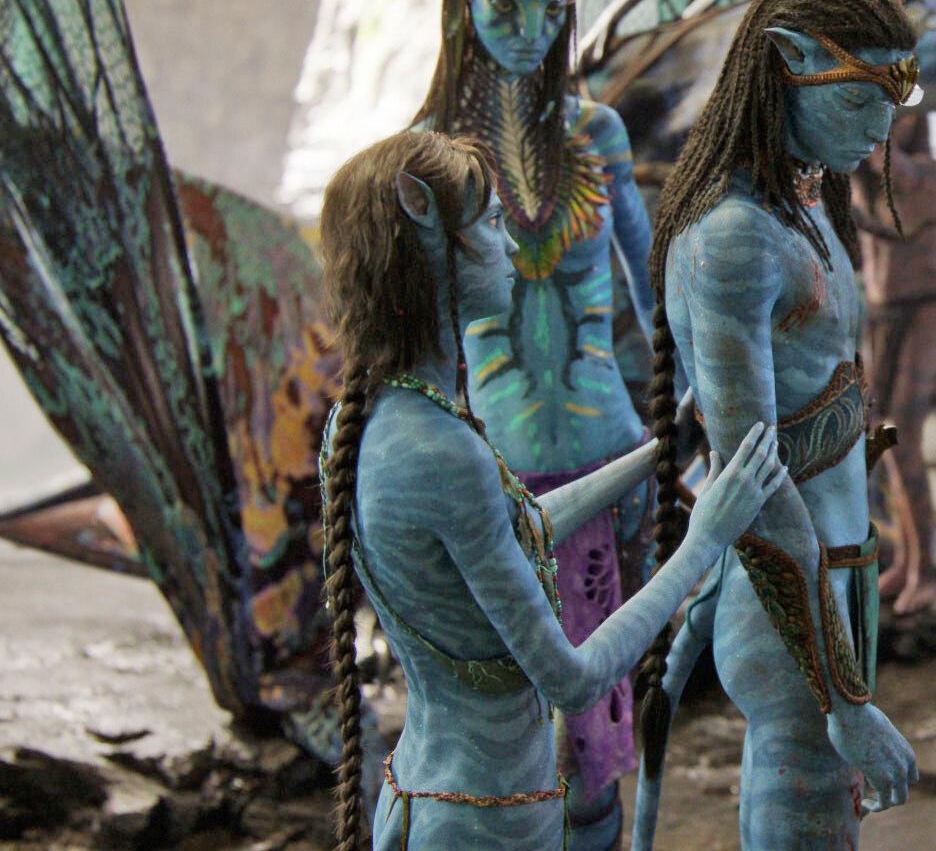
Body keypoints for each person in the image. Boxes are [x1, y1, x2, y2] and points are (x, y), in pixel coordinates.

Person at [316, 131, 782, 849]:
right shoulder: (442, 451)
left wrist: (660, 457)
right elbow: (573, 680)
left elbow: (513, 528)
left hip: (430, 802)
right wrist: (704, 540)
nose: (511, 247)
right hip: (486, 823)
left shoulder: (373, 419)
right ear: (430, 239)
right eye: (490, 224)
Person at [635, 0, 922, 845]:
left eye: (891, 102)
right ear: (787, 63)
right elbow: (752, 487)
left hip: (836, 576)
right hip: (788, 602)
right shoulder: (733, 238)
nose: (878, 129)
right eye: (857, 99)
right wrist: (846, 701)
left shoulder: (805, 201)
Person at [410, 0, 659, 849]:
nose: (533, 29)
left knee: (591, 748)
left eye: (553, 7)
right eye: (507, 4)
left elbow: (661, 290)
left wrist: (689, 418)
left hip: (611, 459)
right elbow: (406, 340)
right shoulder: (424, 157)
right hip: (492, 482)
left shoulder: (598, 132)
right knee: (505, 739)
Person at [851, 110, 936, 615]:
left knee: (905, 440)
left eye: (900, 112)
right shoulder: (864, 179)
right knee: (886, 442)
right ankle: (909, 559)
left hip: (921, 315)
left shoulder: (924, 172)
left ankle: (926, 570)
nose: (891, 122)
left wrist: (869, 134)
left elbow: (897, 172)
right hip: (881, 319)